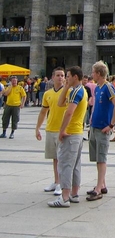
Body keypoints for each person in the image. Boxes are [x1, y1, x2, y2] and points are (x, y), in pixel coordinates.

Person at [48, 66, 88, 207]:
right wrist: (66, 86)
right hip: (77, 132)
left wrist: (62, 130)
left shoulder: (76, 92)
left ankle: (64, 197)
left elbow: (69, 112)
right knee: (75, 164)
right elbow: (60, 103)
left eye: (68, 76)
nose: (66, 78)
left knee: (65, 164)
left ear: (75, 77)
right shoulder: (79, 90)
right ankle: (74, 194)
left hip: (71, 133)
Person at [87, 61, 115, 201]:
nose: (91, 74)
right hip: (94, 126)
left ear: (99, 73)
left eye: (93, 72)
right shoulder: (97, 88)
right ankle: (102, 185)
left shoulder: (108, 87)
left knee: (102, 159)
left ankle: (98, 189)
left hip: (103, 128)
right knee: (97, 158)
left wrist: (111, 125)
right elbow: (95, 104)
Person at [35, 67, 66, 197]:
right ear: (53, 77)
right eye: (58, 75)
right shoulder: (48, 94)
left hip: (63, 129)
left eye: (62, 75)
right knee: (54, 158)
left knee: (62, 158)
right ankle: (56, 181)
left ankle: (62, 183)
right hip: (51, 128)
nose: (60, 77)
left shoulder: (68, 92)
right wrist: (38, 128)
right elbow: (43, 111)